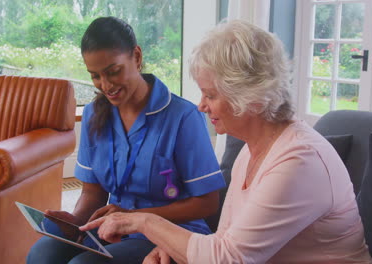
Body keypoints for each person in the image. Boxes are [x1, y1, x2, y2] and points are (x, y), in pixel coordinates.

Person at [80, 20, 372, 263]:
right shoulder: (252, 151)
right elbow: (227, 241)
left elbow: (228, 259)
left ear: (251, 98)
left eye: (210, 95)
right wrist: (171, 249)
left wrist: (142, 221)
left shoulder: (299, 161)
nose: (201, 106)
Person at [26, 16, 226, 264]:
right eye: (95, 76)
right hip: (113, 229)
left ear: (137, 57)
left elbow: (207, 203)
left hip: (171, 232)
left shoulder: (183, 117)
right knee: (41, 254)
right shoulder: (92, 115)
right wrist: (76, 221)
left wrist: (133, 216)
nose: (105, 85)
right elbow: (93, 193)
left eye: (113, 72)